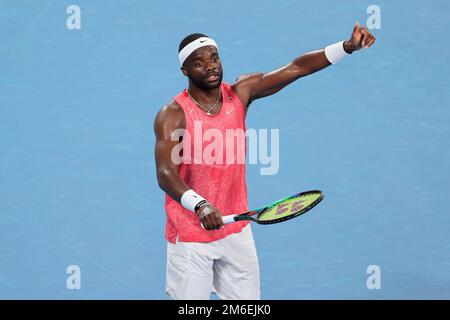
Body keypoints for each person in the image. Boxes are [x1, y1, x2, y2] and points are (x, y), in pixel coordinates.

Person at [154, 23, 375, 300]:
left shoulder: (241, 92)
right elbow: (165, 173)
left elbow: (297, 68)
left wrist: (347, 47)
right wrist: (199, 205)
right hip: (190, 234)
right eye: (199, 63)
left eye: (214, 58)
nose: (210, 67)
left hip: (236, 229)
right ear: (185, 71)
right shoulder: (172, 115)